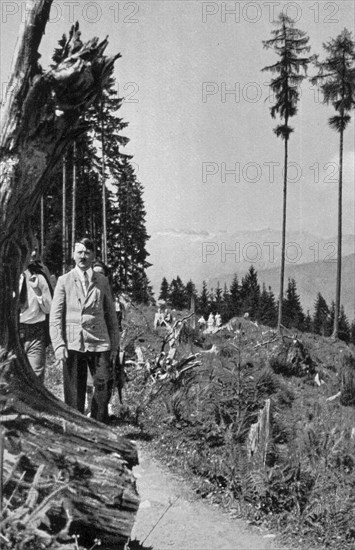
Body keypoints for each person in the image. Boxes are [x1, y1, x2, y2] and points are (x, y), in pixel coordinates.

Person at [50, 238, 120, 423]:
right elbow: (55, 317)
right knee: (74, 394)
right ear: (73, 255)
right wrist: (58, 345)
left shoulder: (102, 281)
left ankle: (97, 425)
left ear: (93, 256)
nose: (83, 256)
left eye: (87, 252)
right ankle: (76, 429)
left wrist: (115, 346)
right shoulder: (64, 281)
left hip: (100, 342)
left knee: (103, 386)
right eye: (79, 252)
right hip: (73, 343)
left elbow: (112, 316)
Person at [19, 245, 53, 383]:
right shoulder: (7, 275)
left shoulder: (39, 275)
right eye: (29, 249)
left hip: (36, 333)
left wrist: (39, 293)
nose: (33, 253)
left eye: (36, 249)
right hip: (12, 332)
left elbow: (48, 309)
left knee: (36, 378)